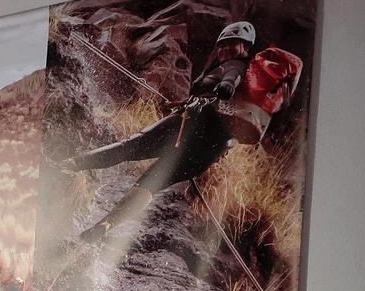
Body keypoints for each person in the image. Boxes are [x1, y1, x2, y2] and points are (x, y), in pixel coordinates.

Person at [68, 21, 256, 242]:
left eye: (231, 44)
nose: (224, 49)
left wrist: (227, 85)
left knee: (129, 147)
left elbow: (231, 78)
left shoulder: (237, 66)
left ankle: (69, 165)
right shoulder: (250, 85)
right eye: (222, 45)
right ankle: (105, 226)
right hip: (208, 153)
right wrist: (181, 103)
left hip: (187, 128)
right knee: (150, 185)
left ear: (245, 46)